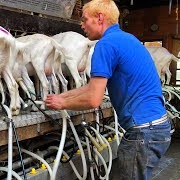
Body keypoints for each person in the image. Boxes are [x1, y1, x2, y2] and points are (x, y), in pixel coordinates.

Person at [44, 0, 171, 179]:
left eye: (85, 19)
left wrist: (62, 103)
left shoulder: (105, 45)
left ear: (100, 18)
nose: (82, 24)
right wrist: (62, 96)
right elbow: (91, 87)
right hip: (157, 127)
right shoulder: (127, 39)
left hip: (144, 132)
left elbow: (93, 99)